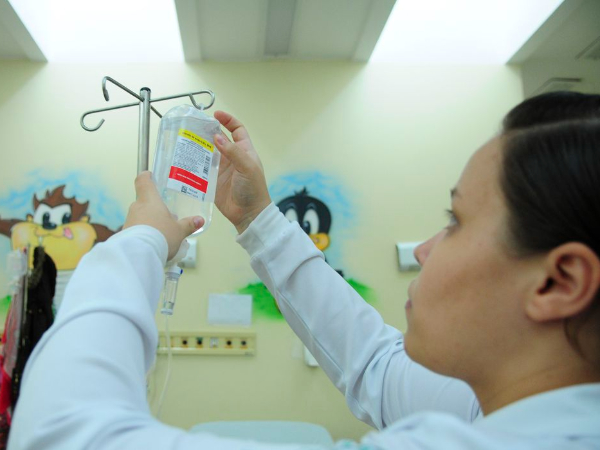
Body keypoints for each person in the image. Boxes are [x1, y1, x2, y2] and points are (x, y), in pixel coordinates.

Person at [7, 91, 600, 449]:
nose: (423, 250)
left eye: (456, 220)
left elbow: (63, 432)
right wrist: (256, 218)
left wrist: (137, 243)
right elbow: (373, 363)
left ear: (560, 281)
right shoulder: (493, 409)